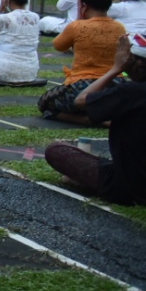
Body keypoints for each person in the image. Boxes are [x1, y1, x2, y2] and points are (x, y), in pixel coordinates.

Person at [44, 33, 146, 204]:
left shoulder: (131, 92)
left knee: (56, 150)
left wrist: (115, 69)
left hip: (130, 186)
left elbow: (81, 100)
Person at [38, 0, 127, 122]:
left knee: (44, 104)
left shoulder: (77, 26)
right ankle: (105, 116)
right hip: (115, 83)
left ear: (84, 5)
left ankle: (90, 120)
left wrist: (79, 19)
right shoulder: (119, 27)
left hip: (83, 85)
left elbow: (58, 45)